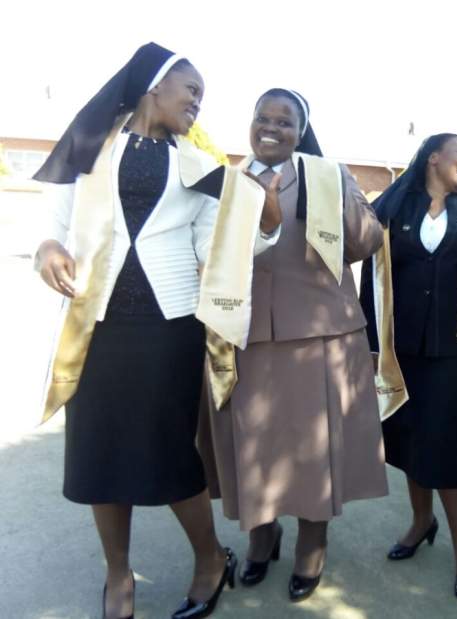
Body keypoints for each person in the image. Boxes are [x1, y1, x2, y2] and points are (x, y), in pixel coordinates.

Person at [33, 43, 283, 619]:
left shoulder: (196, 166)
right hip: (97, 323)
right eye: (191, 90)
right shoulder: (91, 142)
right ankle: (118, 575)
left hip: (170, 328)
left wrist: (265, 226)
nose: (198, 102)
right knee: (99, 455)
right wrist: (48, 249)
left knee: (171, 455)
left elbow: (215, 246)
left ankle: (209, 559)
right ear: (154, 85)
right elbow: (55, 225)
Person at [199, 88, 388, 603]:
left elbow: (366, 242)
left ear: (301, 131)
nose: (272, 128)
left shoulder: (327, 174)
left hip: (320, 335)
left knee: (314, 452)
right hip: (246, 334)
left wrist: (338, 193)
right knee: (256, 447)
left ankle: (311, 545)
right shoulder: (231, 180)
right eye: (263, 117)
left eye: (285, 121)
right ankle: (263, 536)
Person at [359, 133, 457, 599]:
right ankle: (420, 522)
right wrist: (371, 343)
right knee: (407, 439)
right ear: (434, 158)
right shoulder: (393, 209)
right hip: (401, 347)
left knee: (445, 445)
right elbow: (371, 279)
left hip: (455, 351)